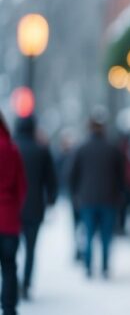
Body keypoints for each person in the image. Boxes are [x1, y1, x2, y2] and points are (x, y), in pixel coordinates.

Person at [69, 119, 125, 278]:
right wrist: (120, 193)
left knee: (88, 234)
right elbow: (121, 176)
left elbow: (72, 174)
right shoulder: (113, 149)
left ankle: (88, 266)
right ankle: (105, 266)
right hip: (109, 199)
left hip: (87, 199)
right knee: (106, 236)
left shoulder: (82, 149)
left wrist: (76, 194)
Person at [14, 116, 57, 299]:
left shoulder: (10, 148)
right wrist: (51, 199)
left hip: (12, 208)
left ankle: (12, 282)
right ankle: (26, 283)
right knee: (31, 249)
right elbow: (51, 179)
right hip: (34, 207)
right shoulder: (42, 150)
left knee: (10, 249)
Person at [0, 112, 27, 315]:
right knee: (9, 267)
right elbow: (21, 186)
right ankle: (9, 308)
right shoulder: (12, 149)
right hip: (8, 219)